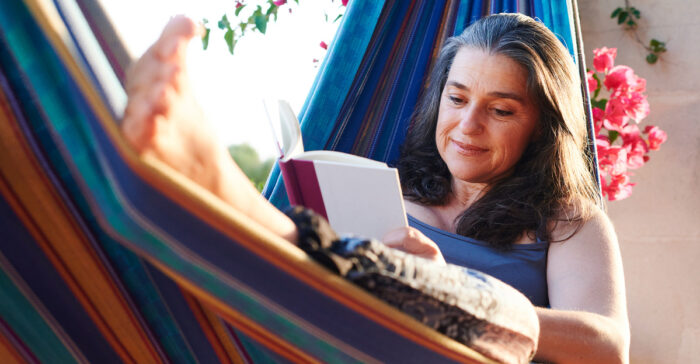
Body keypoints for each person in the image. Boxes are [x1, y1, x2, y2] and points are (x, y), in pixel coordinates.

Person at [122, 13, 630, 364]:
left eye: (500, 110)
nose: (467, 125)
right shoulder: (387, 190)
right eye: (457, 98)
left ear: (542, 127)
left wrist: (455, 295)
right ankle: (209, 192)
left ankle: (215, 181)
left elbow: (608, 349)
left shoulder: (565, 219)